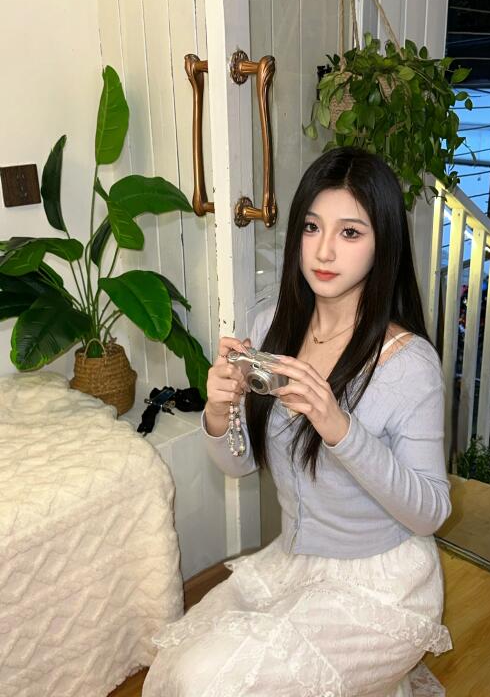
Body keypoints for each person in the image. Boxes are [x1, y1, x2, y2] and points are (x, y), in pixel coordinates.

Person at [142, 147, 453, 697]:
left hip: (381, 584)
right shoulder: (273, 324)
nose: (324, 250)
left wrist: (340, 428)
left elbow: (430, 513)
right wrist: (218, 412)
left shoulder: (409, 364)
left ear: (383, 243)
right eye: (312, 227)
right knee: (178, 665)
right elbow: (238, 467)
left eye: (350, 232)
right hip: (293, 562)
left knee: (210, 682)